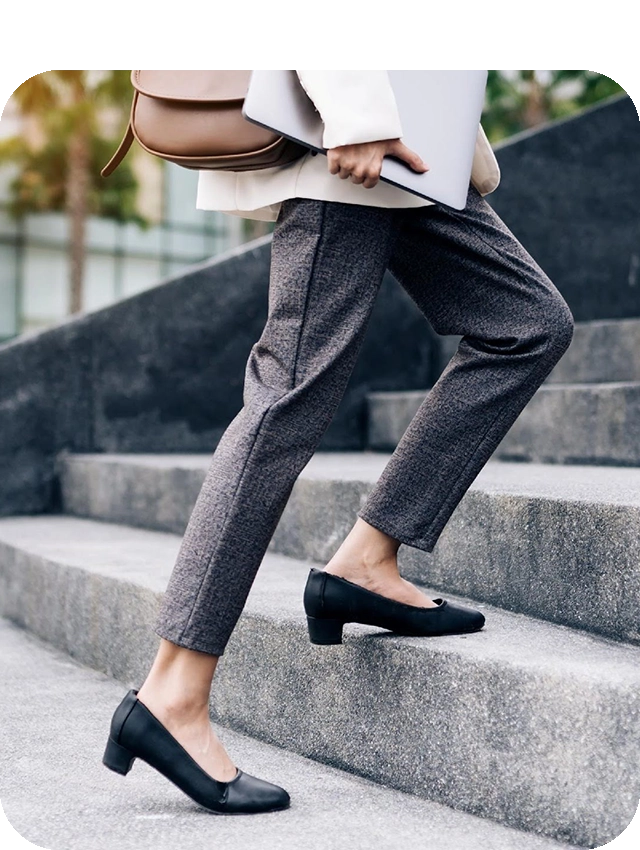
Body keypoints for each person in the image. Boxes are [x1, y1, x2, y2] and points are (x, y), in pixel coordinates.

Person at [102, 66, 574, 815]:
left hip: (410, 142)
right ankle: (172, 691)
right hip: (345, 138)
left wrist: (451, 139)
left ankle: (366, 562)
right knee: (285, 399)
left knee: (525, 323)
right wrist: (352, 107)